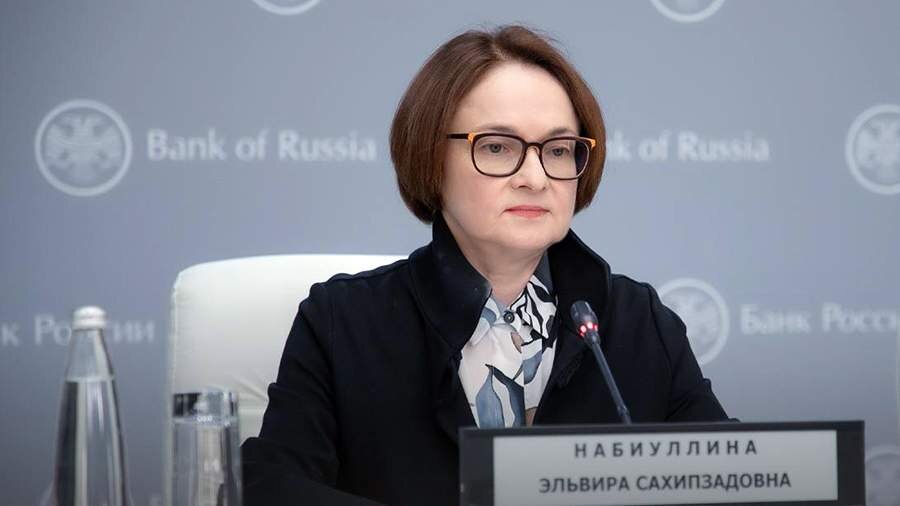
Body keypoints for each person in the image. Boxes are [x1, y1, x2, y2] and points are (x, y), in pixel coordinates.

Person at [241, 24, 730, 506]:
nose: (535, 177)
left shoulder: (638, 322)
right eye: (497, 147)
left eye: (558, 150)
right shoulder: (343, 323)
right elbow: (270, 487)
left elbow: (732, 481)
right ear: (430, 158)